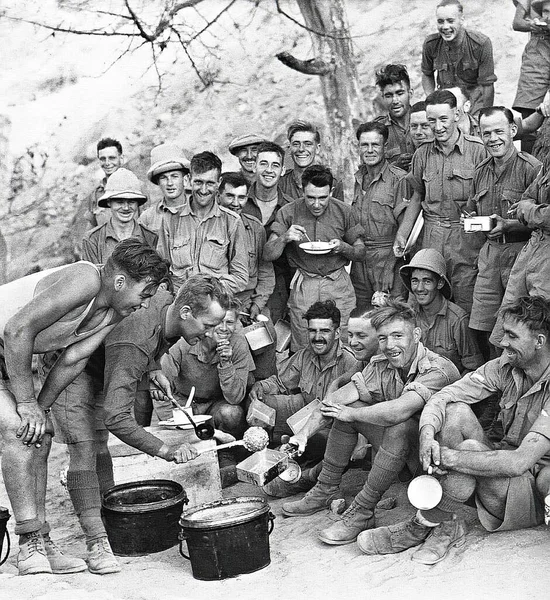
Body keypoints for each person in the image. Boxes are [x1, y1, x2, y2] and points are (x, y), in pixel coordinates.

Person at [0, 239, 169, 576]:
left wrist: (42, 410)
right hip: (7, 345)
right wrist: (28, 403)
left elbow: (72, 360)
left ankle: (41, 540)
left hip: (8, 356)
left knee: (41, 434)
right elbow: (17, 330)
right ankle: (28, 541)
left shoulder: (114, 310)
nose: (144, 303)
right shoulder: (86, 279)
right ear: (120, 282)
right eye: (144, 293)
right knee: (17, 430)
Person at [358, 296, 550, 563]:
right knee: (455, 411)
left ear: (539, 342)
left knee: (469, 450)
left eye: (511, 336)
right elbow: (443, 396)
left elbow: (519, 462)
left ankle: (426, 523)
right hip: (498, 471)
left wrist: (446, 456)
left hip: (531, 495)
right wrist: (427, 437)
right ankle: (449, 522)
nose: (502, 342)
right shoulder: (505, 367)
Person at [281, 301, 460, 549]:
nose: (390, 345)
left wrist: (352, 414)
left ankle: (363, 510)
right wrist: (303, 434)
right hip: (404, 458)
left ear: (416, 335)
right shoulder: (381, 364)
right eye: (384, 338)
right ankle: (326, 488)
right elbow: (337, 400)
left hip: (438, 466)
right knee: (349, 410)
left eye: (398, 336)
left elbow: (397, 412)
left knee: (383, 421)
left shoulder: (438, 369)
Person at [394, 90, 487, 314]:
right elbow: (418, 196)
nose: (437, 127)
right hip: (432, 237)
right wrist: (403, 233)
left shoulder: (478, 151)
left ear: (456, 115)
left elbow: (486, 198)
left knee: (466, 303)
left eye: (443, 119)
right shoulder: (422, 155)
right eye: (432, 121)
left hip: (466, 240)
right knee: (427, 304)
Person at [264, 165, 365, 351]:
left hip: (337, 283)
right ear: (302, 191)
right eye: (310, 198)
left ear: (331, 192)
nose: (316, 204)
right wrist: (285, 237)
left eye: (322, 198)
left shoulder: (344, 211)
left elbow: (360, 252)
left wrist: (344, 248)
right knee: (304, 340)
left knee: (342, 340)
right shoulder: (288, 212)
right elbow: (268, 253)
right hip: (305, 282)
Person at [466, 107, 541, 354]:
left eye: (499, 131)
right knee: (485, 324)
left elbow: (543, 220)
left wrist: (508, 225)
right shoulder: (481, 170)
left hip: (521, 256)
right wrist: (472, 220)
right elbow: (471, 208)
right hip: (490, 256)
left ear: (512, 131)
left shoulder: (532, 168)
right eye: (486, 133)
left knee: (518, 323)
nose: (493, 138)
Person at [248, 300, 359, 461]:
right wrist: (260, 386)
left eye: (324, 331)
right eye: (312, 331)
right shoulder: (305, 354)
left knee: (320, 440)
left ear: (336, 333)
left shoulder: (350, 362)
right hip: (305, 410)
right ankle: (267, 446)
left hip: (331, 423)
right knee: (259, 402)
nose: (317, 337)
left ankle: (289, 450)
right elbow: (280, 383)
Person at [159, 299, 255, 441]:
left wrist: (226, 363)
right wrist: (174, 422)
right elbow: (160, 388)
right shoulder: (183, 343)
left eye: (229, 322)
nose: (223, 328)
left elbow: (235, 398)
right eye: (218, 322)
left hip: (214, 404)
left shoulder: (238, 344)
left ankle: (224, 453)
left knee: (232, 414)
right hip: (183, 404)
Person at [158, 151, 248, 293]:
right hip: (177, 302)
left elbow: (241, 277)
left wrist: (209, 292)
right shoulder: (170, 219)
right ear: (188, 180)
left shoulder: (232, 222)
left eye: (210, 183)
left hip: (215, 304)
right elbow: (160, 270)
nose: (204, 190)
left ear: (219, 183)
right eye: (198, 182)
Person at [216, 171, 277, 379]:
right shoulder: (210, 226)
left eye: (241, 197)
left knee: (266, 334)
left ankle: (262, 386)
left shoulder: (255, 228)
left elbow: (266, 272)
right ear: (218, 196)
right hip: (218, 305)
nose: (235, 203)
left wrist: (258, 304)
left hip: (247, 303)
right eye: (230, 196)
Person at [350, 121, 409, 311]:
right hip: (360, 263)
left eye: (375, 145)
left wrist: (389, 270)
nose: (369, 150)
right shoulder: (358, 179)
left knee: (390, 319)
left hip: (389, 261)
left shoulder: (398, 179)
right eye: (364, 145)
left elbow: (405, 234)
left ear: (385, 147)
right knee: (362, 321)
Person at [491, 160, 550, 345]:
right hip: (534, 247)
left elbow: (526, 207)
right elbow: (526, 197)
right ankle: (507, 371)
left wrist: (530, 211)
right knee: (509, 315)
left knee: (539, 322)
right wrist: (532, 210)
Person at [400, 248, 483, 373]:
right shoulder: (408, 317)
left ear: (440, 283)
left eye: (427, 281)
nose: (419, 288)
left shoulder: (458, 320)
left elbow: (473, 368)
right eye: (415, 281)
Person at [242, 142, 294, 324]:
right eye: (263, 163)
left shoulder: (290, 207)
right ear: (254, 166)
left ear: (283, 170)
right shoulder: (238, 201)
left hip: (278, 287)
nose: (269, 170)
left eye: (275, 165)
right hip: (240, 283)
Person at [421, 0, 496, 115]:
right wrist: (432, 100)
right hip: (445, 105)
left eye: (451, 21)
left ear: (462, 20)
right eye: (440, 22)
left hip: (474, 105)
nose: (445, 27)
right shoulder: (431, 44)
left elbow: (487, 85)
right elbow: (427, 74)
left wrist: (484, 115)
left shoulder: (481, 44)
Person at [82, 168, 157, 263]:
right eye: (119, 202)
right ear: (109, 202)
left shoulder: (150, 238)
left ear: (138, 204)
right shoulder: (92, 240)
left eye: (131, 201)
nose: (126, 208)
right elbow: (90, 276)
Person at [512, 0, 550, 153]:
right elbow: (517, 23)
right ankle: (531, 170)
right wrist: (533, 25)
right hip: (538, 54)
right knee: (531, 114)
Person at [279, 121, 345, 201]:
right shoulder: (280, 182)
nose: (301, 149)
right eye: (296, 144)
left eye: (308, 144)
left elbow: (338, 211)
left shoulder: (333, 183)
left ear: (317, 148)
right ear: (290, 148)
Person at [139, 143, 190, 236]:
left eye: (174, 176)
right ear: (158, 182)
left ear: (185, 179)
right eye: (163, 178)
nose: (169, 183)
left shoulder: (200, 212)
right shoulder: (147, 218)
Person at [374, 64, 416, 171]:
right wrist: (394, 167)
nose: (395, 101)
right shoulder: (377, 131)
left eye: (400, 93)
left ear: (410, 93)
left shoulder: (426, 120)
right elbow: (370, 173)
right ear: (383, 97)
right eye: (389, 95)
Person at [85, 138, 124, 229]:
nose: (107, 163)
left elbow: (145, 225)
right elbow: (91, 227)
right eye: (103, 159)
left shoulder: (137, 187)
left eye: (112, 158)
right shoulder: (96, 194)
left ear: (121, 159)